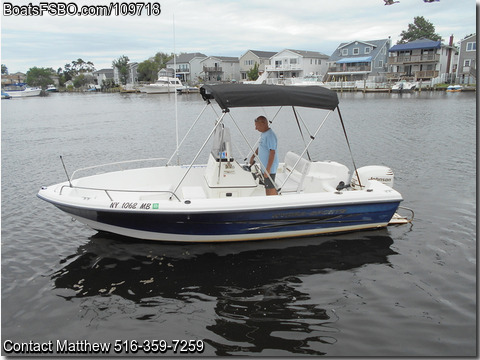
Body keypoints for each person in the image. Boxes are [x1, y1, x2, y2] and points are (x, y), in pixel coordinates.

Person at [249, 115, 279, 195]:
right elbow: (261, 147)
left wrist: (268, 169)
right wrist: (252, 157)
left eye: (257, 126)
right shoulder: (263, 133)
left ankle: (276, 204)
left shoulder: (270, 135)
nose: (255, 128)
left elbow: (272, 153)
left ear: (263, 124)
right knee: (267, 187)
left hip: (269, 168)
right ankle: (270, 202)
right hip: (264, 166)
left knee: (270, 187)